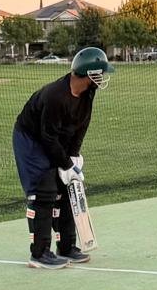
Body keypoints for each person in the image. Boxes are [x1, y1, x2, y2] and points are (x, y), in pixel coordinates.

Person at [12, 46, 114, 269]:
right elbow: (48, 138)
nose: (103, 78)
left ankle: (67, 247)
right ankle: (39, 254)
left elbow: (80, 126)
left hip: (53, 139)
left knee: (68, 189)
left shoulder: (88, 92)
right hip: (31, 139)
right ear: (88, 74)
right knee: (45, 191)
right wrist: (65, 164)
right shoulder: (55, 96)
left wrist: (74, 158)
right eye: (100, 73)